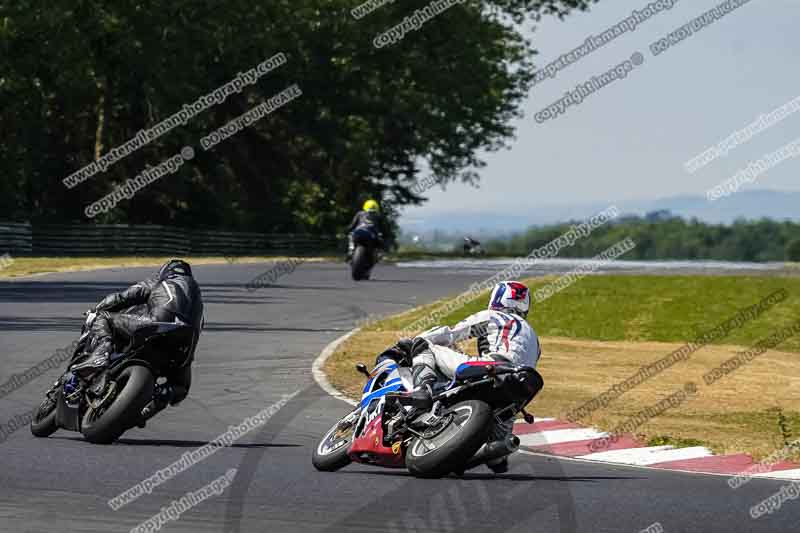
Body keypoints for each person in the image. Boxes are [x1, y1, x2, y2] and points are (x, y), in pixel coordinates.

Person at [380, 281, 542, 473]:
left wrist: (411, 342)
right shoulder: (534, 339)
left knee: (425, 346)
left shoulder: (495, 316)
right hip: (515, 393)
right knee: (498, 461)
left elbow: (451, 334)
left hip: (492, 368)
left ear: (497, 298)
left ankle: (422, 390)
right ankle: (495, 452)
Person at [70, 259, 204, 420]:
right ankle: (152, 406)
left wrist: (96, 309)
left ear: (164, 272)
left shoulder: (161, 282)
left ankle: (100, 354)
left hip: (156, 326)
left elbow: (122, 298)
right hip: (184, 348)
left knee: (103, 317)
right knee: (180, 387)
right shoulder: (199, 301)